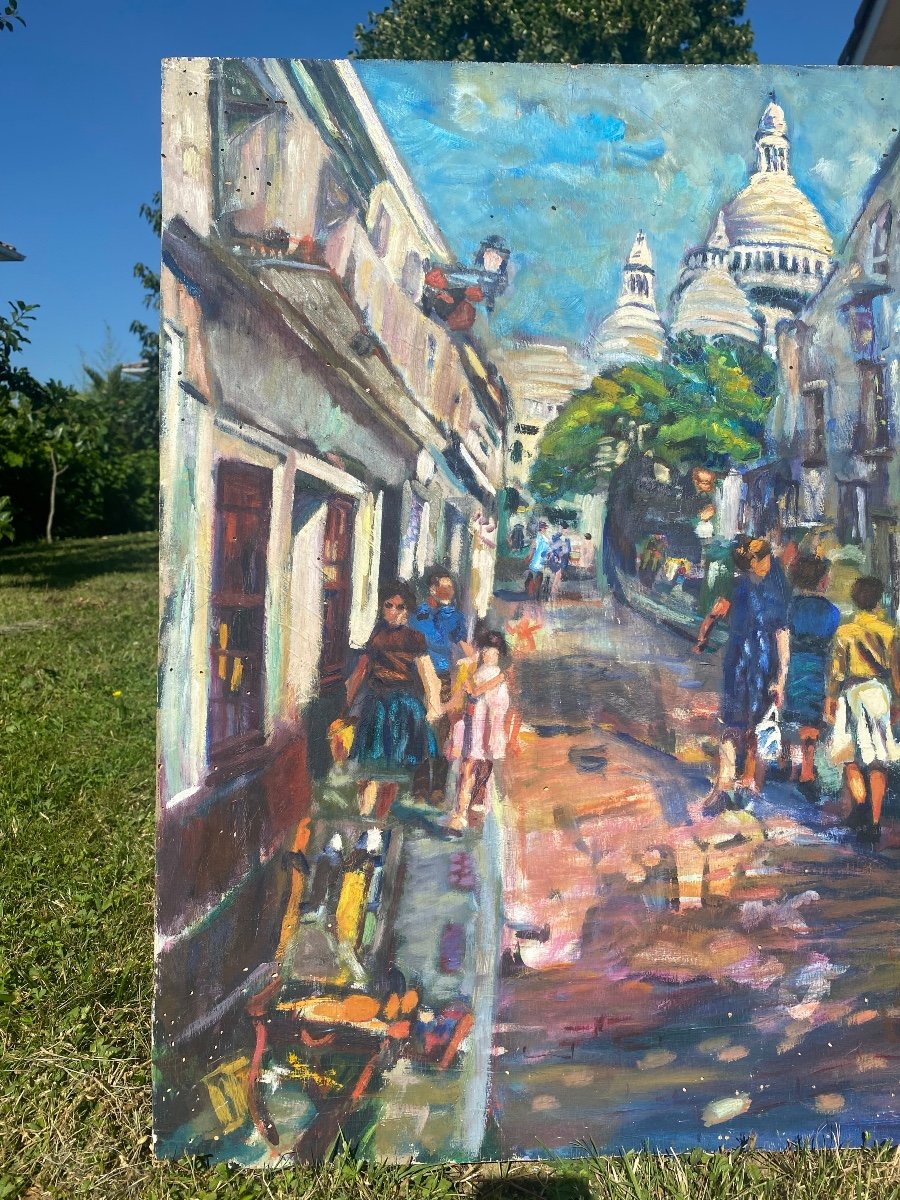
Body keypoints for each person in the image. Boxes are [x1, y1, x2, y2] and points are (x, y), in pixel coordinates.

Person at [695, 537, 790, 809]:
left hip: (742, 661)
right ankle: (744, 782)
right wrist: (781, 678)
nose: (770, 562)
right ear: (758, 562)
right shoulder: (774, 597)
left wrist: (702, 640)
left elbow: (714, 615)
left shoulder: (737, 589)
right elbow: (782, 639)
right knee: (751, 723)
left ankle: (730, 781)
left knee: (735, 723)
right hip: (758, 662)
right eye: (767, 557)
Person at [345, 581, 443, 819]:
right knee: (369, 766)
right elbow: (361, 671)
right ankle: (365, 816)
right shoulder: (377, 637)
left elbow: (427, 673)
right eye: (389, 605)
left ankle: (378, 820)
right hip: (377, 704)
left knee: (392, 768)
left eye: (399, 607)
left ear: (407, 610)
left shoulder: (415, 638)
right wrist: (348, 703)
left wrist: (432, 704)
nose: (393, 611)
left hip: (403, 706)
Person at [824, 575, 900, 842]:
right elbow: (896, 671)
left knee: (850, 755)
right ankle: (876, 820)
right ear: (878, 599)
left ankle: (861, 804)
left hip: (851, 693)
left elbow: (836, 672)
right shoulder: (890, 631)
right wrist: (898, 701)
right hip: (879, 692)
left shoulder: (845, 632)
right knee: (878, 758)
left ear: (855, 599)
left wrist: (831, 699)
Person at [408, 569, 474, 804]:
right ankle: (419, 786)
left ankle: (438, 787)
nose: (447, 592)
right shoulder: (417, 616)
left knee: (443, 732)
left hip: (444, 676)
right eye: (442, 587)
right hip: (419, 677)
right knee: (421, 731)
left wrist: (477, 665)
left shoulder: (455, 617)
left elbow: (464, 645)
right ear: (432, 589)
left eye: (450, 588)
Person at [781, 554, 840, 802]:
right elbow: (832, 649)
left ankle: (789, 764)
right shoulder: (832, 612)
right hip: (817, 669)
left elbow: (784, 640)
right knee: (812, 723)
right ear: (821, 581)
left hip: (794, 665)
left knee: (789, 714)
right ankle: (806, 769)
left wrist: (781, 677)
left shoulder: (790, 607)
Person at [445, 629, 514, 833]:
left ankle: (473, 808)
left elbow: (479, 693)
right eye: (485, 650)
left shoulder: (498, 676)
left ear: (499, 654)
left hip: (489, 727)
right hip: (474, 725)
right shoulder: (478, 673)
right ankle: (461, 812)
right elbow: (468, 698)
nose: (487, 654)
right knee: (469, 765)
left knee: (483, 765)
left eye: (491, 651)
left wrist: (471, 687)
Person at [545, 524, 571, 601]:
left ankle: (554, 593)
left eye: (567, 530)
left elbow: (568, 550)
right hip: (556, 560)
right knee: (557, 576)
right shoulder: (556, 537)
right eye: (565, 529)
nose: (567, 531)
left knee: (559, 576)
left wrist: (565, 551)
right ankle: (553, 594)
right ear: (562, 530)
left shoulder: (567, 539)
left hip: (563, 561)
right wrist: (560, 551)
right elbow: (552, 548)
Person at [525, 522, 551, 599]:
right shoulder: (546, 540)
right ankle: (536, 594)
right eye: (545, 528)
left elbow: (532, 551)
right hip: (542, 563)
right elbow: (548, 552)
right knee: (538, 578)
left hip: (536, 562)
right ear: (543, 529)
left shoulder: (536, 539)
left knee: (533, 577)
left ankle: (532, 594)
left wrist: (528, 558)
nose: (545, 529)